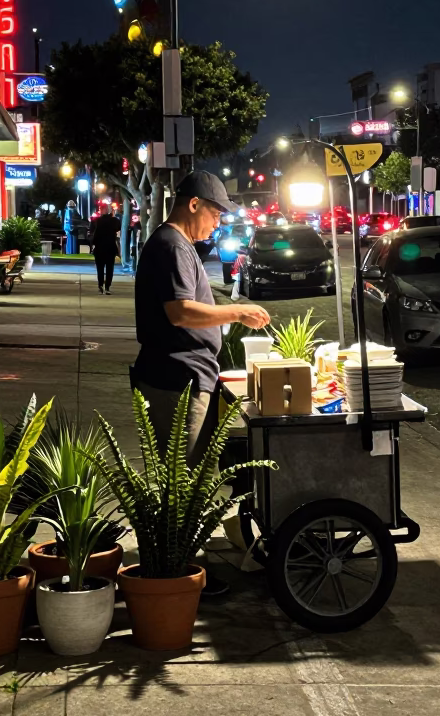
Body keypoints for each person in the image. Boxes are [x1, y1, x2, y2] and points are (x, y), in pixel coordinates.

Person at [133, 172, 270, 594]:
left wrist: (229, 311)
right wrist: (237, 312)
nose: (217, 223)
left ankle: (182, 570)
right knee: (182, 480)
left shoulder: (179, 245)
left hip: (188, 375)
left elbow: (193, 301)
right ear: (193, 205)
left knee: (190, 476)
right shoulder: (172, 244)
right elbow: (180, 312)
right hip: (175, 379)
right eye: (215, 213)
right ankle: (178, 578)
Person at [90, 206, 121, 294]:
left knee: (100, 268)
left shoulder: (96, 221)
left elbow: (92, 233)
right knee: (109, 268)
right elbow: (118, 228)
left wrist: (92, 244)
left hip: (100, 248)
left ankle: (100, 286)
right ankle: (107, 286)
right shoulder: (114, 221)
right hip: (110, 247)